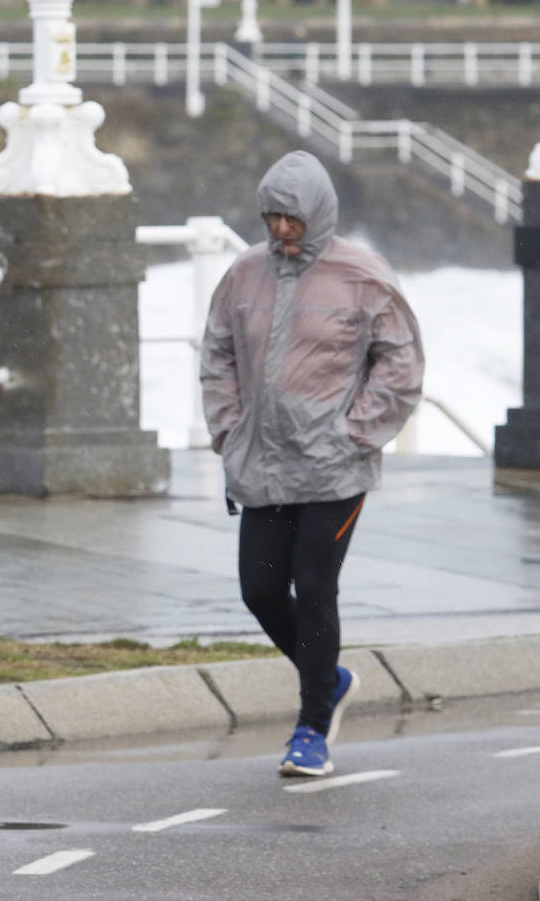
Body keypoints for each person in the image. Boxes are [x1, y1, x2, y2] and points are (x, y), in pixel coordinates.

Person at [199, 150, 424, 777]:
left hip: (334, 468)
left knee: (315, 585)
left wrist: (356, 433)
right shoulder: (243, 275)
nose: (280, 230)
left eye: (291, 219)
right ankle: (332, 677)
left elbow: (400, 364)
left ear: (317, 214)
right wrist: (226, 429)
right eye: (271, 217)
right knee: (261, 590)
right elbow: (216, 354)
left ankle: (311, 730)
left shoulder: (364, 276)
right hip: (263, 465)